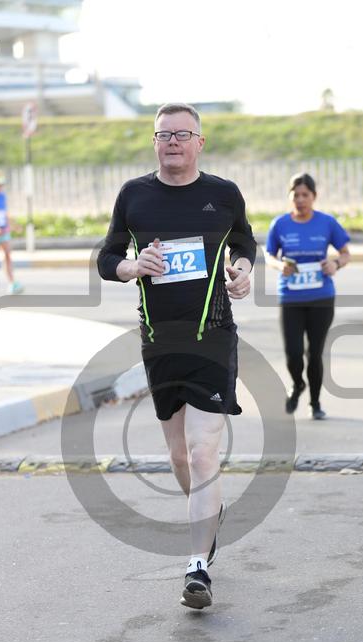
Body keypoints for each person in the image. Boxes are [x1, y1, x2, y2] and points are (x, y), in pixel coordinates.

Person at [97, 103, 256, 609]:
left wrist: (243, 270)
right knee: (180, 456)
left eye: (182, 134)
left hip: (212, 336)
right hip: (159, 339)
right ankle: (209, 511)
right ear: (154, 142)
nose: (172, 142)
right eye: (163, 134)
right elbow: (106, 258)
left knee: (203, 450)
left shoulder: (223, 194)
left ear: (199, 143)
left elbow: (245, 241)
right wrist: (133, 266)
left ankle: (197, 566)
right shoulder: (134, 195)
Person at [265, 173, 350, 418]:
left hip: (321, 297)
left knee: (314, 353)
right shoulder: (280, 224)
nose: (300, 200)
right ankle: (298, 383)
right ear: (289, 197)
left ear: (314, 196)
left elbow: (345, 253)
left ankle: (315, 403)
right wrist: (280, 265)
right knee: (293, 353)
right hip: (290, 297)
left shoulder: (327, 222)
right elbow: (269, 255)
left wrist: (335, 264)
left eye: (305, 195)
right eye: (296, 195)